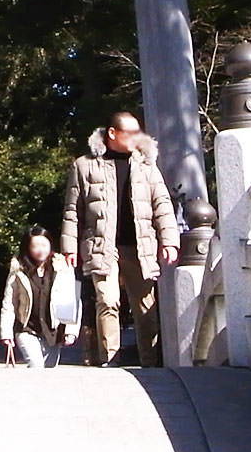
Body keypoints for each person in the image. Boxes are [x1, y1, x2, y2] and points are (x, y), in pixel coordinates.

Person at [61, 111, 179, 367]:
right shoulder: (84, 165)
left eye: (139, 132)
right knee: (108, 300)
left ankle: (150, 362)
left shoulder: (147, 165)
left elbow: (162, 204)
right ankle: (110, 359)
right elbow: (73, 210)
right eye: (131, 133)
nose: (138, 137)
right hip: (102, 245)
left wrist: (169, 240)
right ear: (113, 134)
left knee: (145, 306)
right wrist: (69, 247)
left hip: (140, 245)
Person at [0, 226, 66, 369]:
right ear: (27, 248)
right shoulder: (18, 271)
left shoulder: (61, 269)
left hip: (53, 330)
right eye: (35, 246)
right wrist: (6, 333)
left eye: (44, 245)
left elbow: (70, 300)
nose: (40, 250)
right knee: (36, 365)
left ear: (50, 245)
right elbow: (9, 303)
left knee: (50, 368)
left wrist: (71, 331)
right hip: (26, 328)